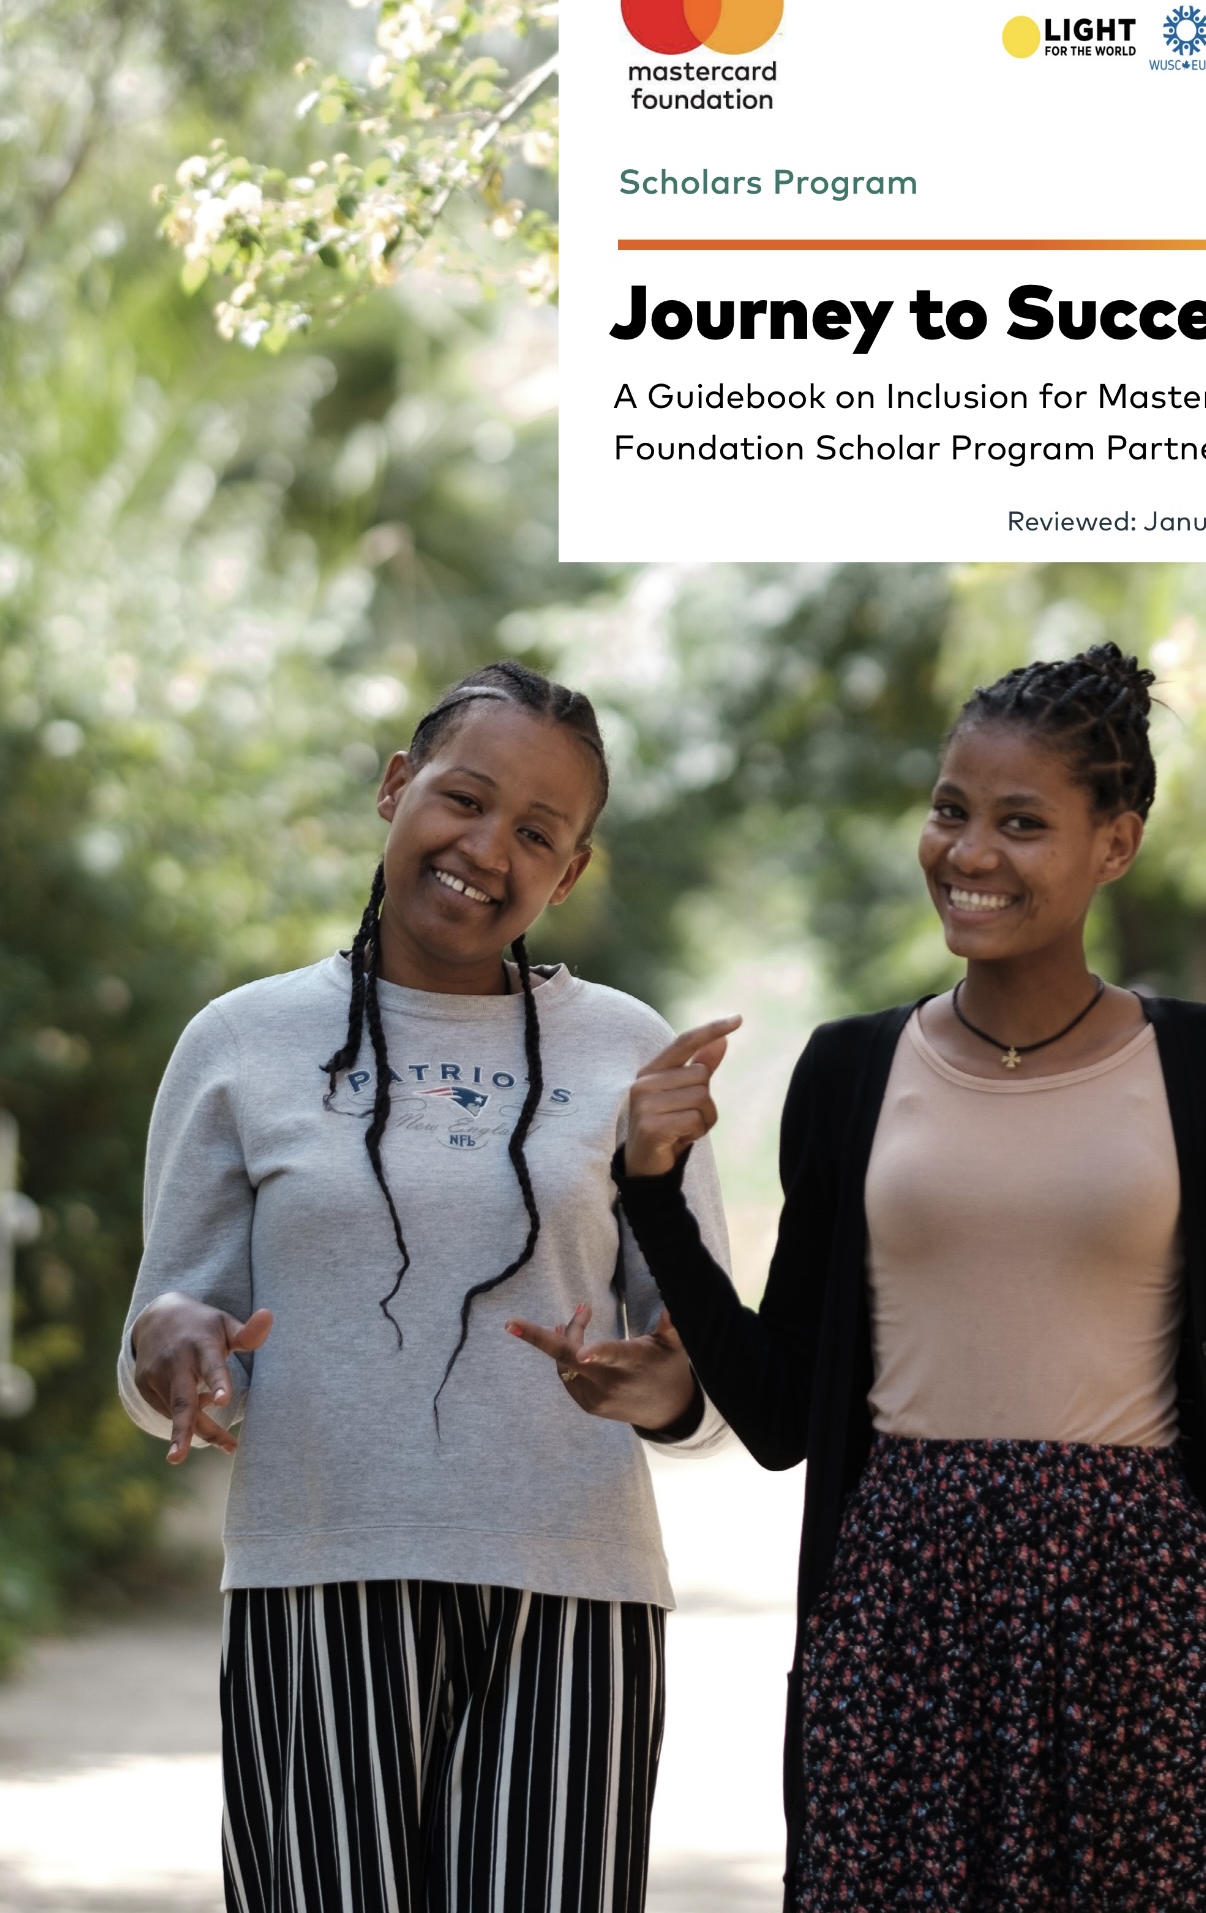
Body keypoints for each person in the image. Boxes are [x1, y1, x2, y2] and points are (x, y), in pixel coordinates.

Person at [526, 643, 1206, 1911]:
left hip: (1144, 1618)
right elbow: (778, 1415)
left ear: (1115, 843)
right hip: (899, 1614)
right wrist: (651, 1191)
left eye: (1020, 822)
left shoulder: (1204, 1065)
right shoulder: (849, 1071)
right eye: (949, 810)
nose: (968, 851)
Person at [117, 662, 735, 1913]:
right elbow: (168, 1332)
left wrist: (667, 1385)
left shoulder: (625, 1048)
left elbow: (703, 1371)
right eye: (463, 798)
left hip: (573, 1590)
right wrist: (170, 1341)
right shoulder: (240, 1043)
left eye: (538, 834)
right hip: (316, 1573)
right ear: (396, 786)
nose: (487, 849)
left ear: (569, 872)